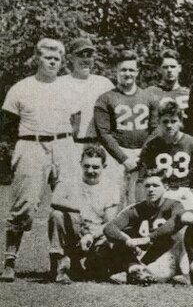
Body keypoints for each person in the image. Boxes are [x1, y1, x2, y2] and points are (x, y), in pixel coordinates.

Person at [0, 39, 77, 281]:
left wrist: (63, 141)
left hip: (63, 143)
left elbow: (75, 120)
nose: (53, 61)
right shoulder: (21, 87)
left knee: (63, 205)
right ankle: (10, 261)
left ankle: (58, 263)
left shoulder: (68, 87)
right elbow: (8, 125)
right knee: (24, 205)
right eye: (47, 57)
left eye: (57, 58)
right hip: (31, 144)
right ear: (37, 58)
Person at [95, 169, 187, 284]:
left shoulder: (174, 205)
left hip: (164, 253)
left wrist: (147, 238)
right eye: (147, 186)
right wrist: (128, 241)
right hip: (141, 255)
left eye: (155, 185)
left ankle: (135, 273)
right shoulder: (137, 209)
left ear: (166, 187)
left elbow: (174, 223)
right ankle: (136, 271)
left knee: (171, 238)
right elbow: (109, 228)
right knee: (119, 239)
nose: (151, 189)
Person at [47, 145, 122, 283]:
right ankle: (59, 264)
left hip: (95, 234)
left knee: (98, 272)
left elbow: (109, 222)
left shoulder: (111, 187)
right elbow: (55, 200)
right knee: (56, 215)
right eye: (86, 166)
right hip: (74, 229)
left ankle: (80, 263)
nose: (90, 170)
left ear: (104, 167)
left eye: (95, 167)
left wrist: (91, 235)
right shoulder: (70, 180)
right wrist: (79, 210)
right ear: (80, 164)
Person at [94, 50, 161, 204]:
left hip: (142, 153)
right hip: (116, 154)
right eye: (123, 69)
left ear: (137, 72)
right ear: (116, 71)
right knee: (113, 200)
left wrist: (142, 153)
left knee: (140, 199)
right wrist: (123, 158)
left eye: (131, 70)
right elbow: (103, 133)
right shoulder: (105, 98)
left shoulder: (149, 97)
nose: (127, 73)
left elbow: (155, 129)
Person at [138, 100, 193, 210]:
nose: (169, 125)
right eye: (165, 121)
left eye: (173, 121)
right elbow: (142, 178)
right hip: (162, 191)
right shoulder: (151, 145)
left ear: (180, 122)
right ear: (158, 122)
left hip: (185, 190)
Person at [62, 36, 114, 171]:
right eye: (80, 55)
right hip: (69, 147)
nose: (86, 60)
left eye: (89, 55)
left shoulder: (104, 84)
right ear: (70, 58)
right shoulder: (59, 84)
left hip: (98, 147)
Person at [156, 48, 190, 113]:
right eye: (165, 67)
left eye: (173, 66)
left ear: (179, 68)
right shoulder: (152, 94)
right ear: (159, 69)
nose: (169, 70)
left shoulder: (188, 95)